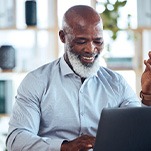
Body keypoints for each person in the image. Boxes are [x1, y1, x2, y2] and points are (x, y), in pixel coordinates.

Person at [6, 5, 151, 151]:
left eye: (98, 41)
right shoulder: (36, 81)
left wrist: (148, 95)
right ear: (63, 37)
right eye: (81, 41)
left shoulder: (116, 83)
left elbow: (137, 132)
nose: (91, 49)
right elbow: (16, 138)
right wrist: (64, 147)